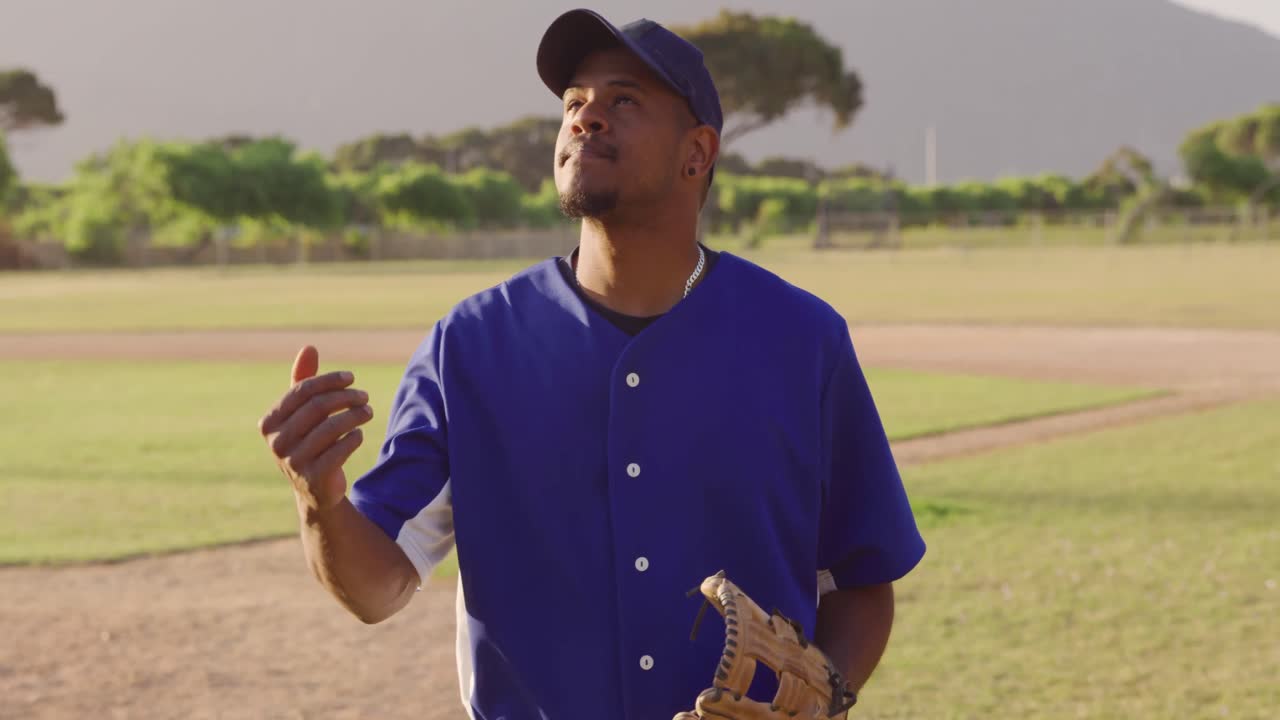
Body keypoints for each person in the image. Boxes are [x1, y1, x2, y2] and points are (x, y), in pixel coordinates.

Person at [257, 9, 925, 719]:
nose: (586, 118)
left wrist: (825, 698)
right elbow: (377, 585)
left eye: (623, 100)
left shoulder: (802, 339)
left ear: (696, 153)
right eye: (574, 103)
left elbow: (860, 578)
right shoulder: (471, 346)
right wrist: (320, 504)